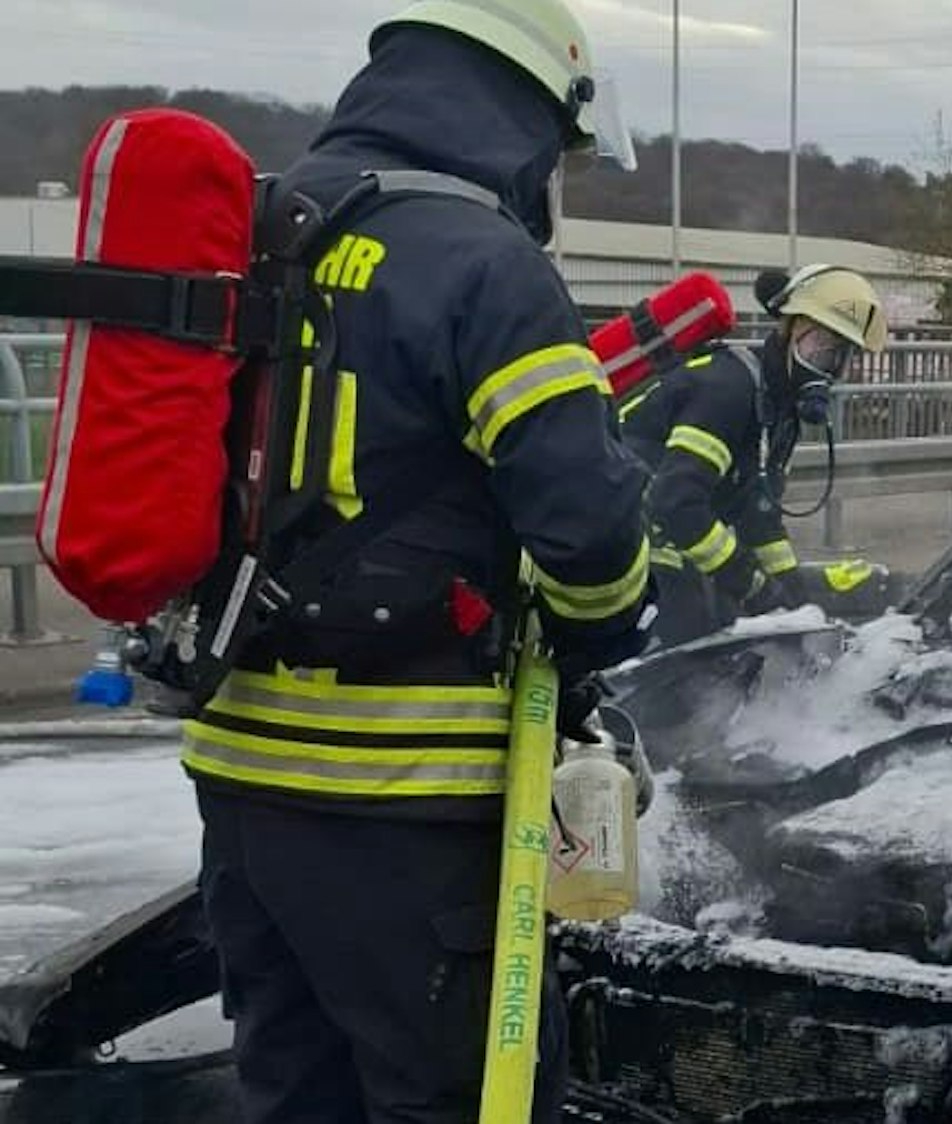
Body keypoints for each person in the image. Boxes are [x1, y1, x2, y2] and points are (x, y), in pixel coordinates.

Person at [179, 2, 657, 1121]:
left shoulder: (263, 225)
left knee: (298, 1092)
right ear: (526, 112)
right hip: (406, 799)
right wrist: (605, 628)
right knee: (451, 1097)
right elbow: (590, 535)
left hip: (241, 778)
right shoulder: (485, 265)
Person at [618, 264, 887, 648]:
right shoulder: (727, 389)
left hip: (659, 531)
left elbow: (757, 515)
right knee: (697, 620)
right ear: (790, 327)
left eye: (840, 357)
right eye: (820, 346)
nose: (827, 367)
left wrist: (796, 601)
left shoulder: (778, 410)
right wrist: (752, 585)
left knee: (725, 610)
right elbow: (675, 503)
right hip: (617, 525)